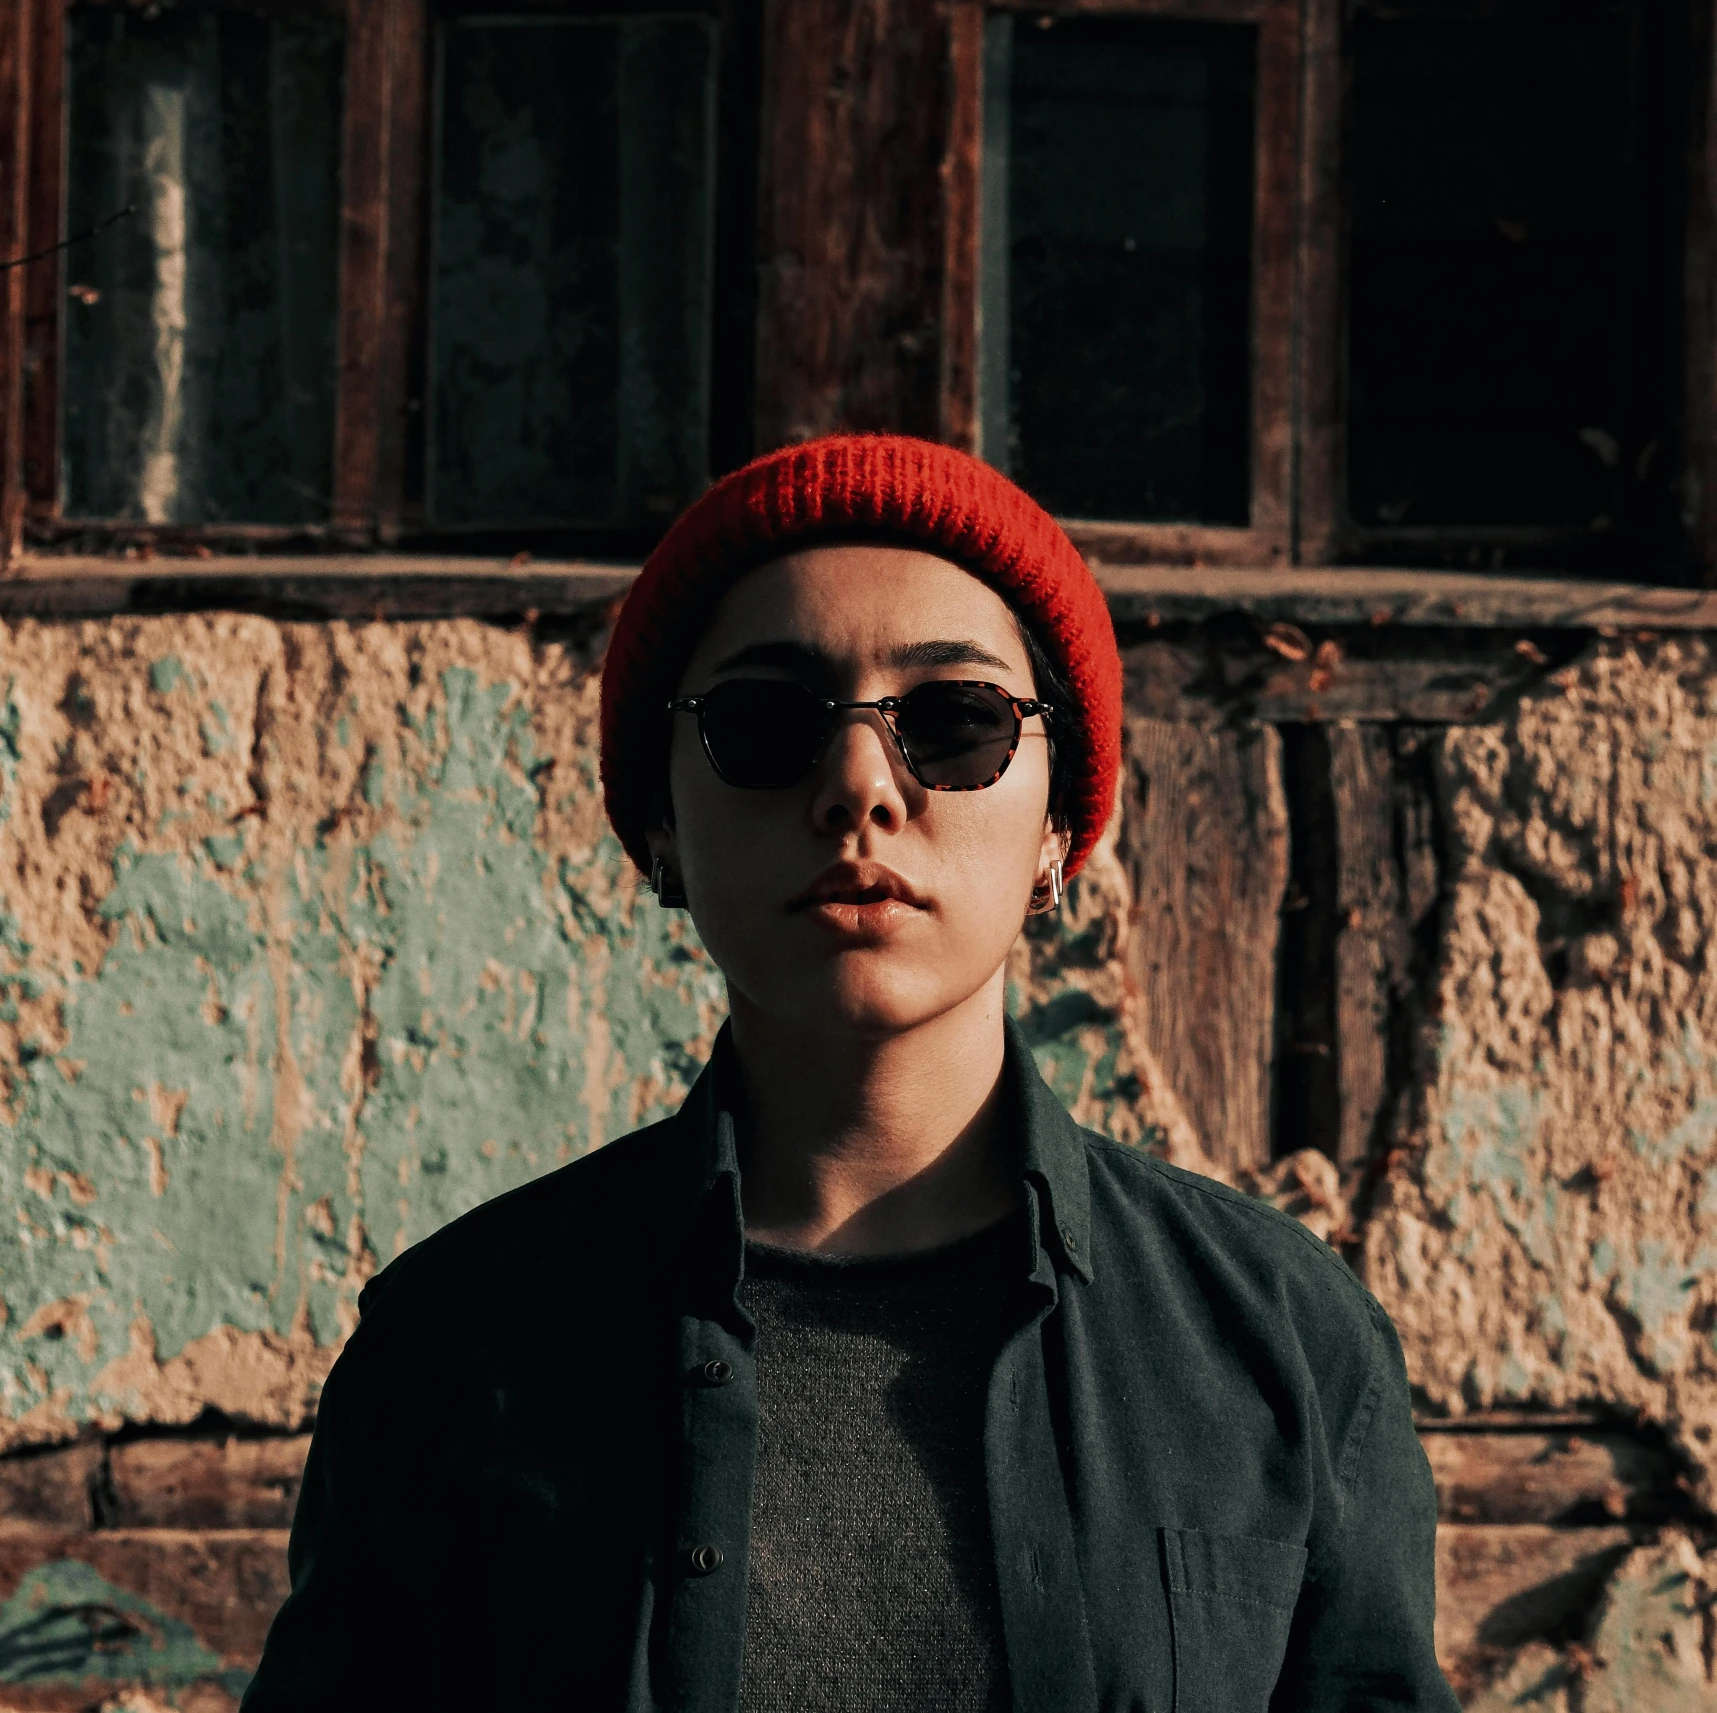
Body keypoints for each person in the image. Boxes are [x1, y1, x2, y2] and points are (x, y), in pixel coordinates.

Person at [242, 433, 1454, 1712]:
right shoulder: (456, 1344)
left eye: (955, 719)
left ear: (1058, 827)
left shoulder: (1275, 1339)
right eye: (764, 720)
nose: (860, 785)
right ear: (659, 825)